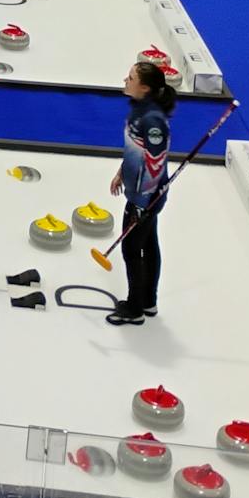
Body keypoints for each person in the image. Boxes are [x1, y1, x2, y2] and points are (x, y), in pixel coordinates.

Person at [106, 60, 176, 326]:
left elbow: (155, 164)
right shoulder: (140, 112)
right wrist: (122, 172)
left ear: (144, 87)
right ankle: (148, 301)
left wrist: (142, 203)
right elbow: (136, 151)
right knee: (148, 243)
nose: (126, 79)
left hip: (145, 197)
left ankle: (135, 308)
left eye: (132, 77)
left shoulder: (152, 120)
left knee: (132, 248)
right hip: (140, 192)